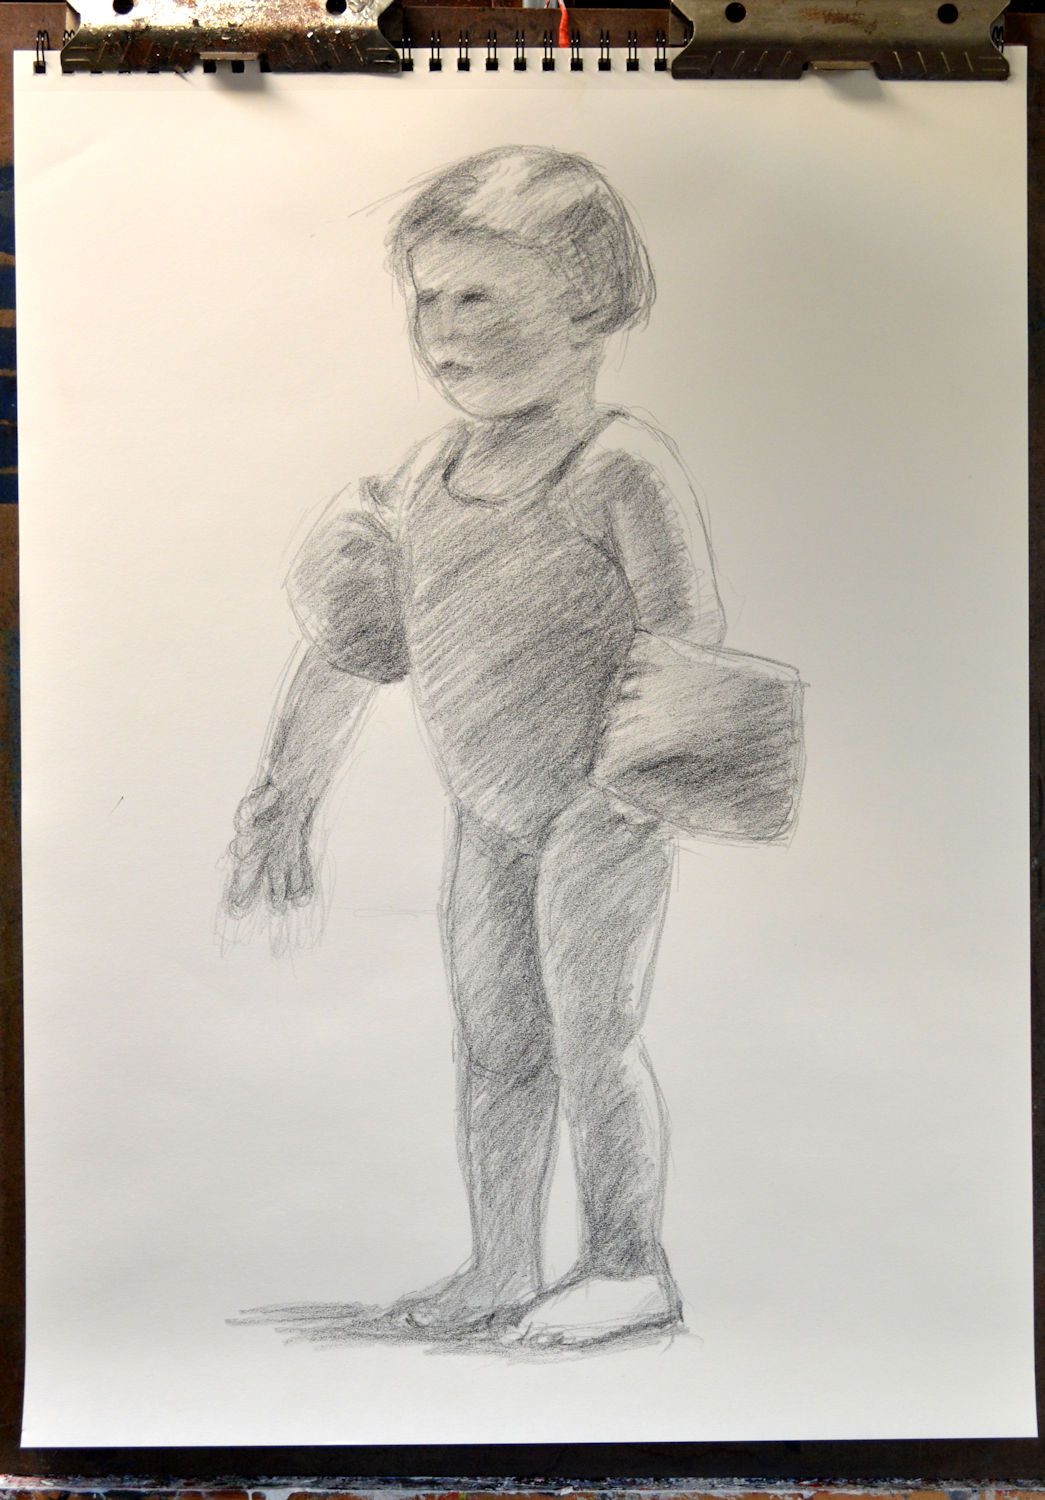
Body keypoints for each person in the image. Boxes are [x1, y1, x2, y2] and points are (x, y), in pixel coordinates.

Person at [224, 145, 726, 1349]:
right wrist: (284, 792)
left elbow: (690, 643)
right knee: (497, 1045)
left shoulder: (619, 465)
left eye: (479, 298)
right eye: (428, 300)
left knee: (591, 1039)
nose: (443, 330)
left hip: (604, 806)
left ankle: (627, 1265)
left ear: (586, 304)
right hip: (488, 813)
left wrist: (633, 793)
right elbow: (352, 648)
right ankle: (500, 1264)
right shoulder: (417, 482)